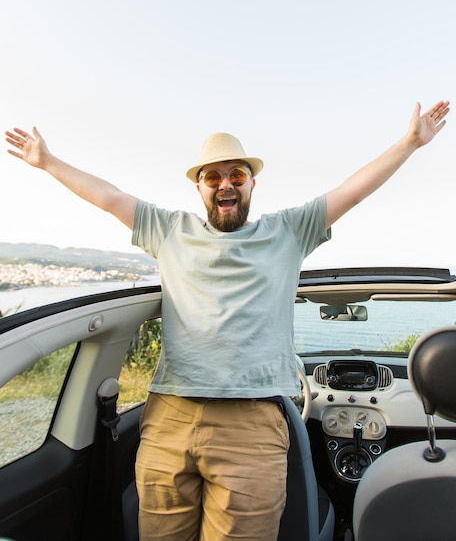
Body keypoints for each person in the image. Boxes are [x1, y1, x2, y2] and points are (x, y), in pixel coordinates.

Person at [4, 100, 450, 540]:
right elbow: (108, 197)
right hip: (169, 420)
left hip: (252, 428)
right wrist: (47, 162)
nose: (225, 185)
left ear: (252, 184)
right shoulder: (169, 229)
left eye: (236, 175)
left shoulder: (289, 231)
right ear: (199, 188)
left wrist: (410, 142)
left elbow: (352, 190)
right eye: (212, 177)